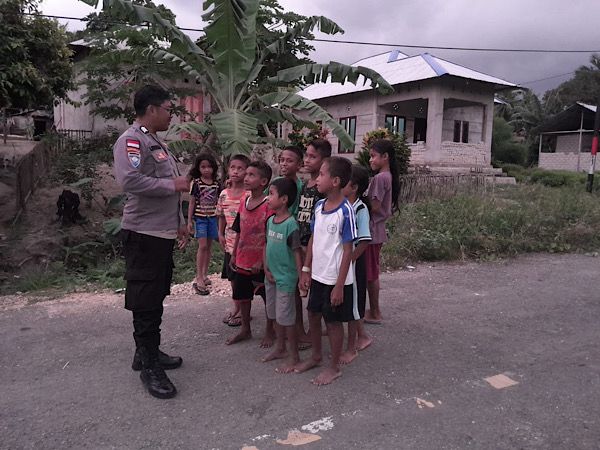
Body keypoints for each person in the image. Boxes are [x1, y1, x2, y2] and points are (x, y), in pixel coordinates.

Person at [113, 84, 190, 399]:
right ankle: (149, 367)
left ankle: (146, 352)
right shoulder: (131, 140)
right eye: (169, 109)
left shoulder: (157, 142)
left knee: (155, 296)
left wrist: (180, 222)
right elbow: (130, 180)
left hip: (161, 232)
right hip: (143, 234)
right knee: (145, 300)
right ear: (152, 109)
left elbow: (172, 190)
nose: (172, 115)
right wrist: (173, 185)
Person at [297, 156, 357, 385]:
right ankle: (316, 356)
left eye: (322, 175)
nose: (317, 179)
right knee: (313, 314)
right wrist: (306, 269)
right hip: (317, 275)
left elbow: (348, 250)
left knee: (333, 322)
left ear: (335, 181)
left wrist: (339, 286)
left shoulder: (346, 211)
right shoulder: (319, 206)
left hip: (335, 279)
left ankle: (333, 367)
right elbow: (314, 238)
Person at [226, 160, 273, 346]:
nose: (246, 178)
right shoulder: (244, 201)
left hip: (261, 262)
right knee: (243, 297)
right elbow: (239, 230)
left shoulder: (268, 205)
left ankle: (270, 331)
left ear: (263, 182)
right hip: (242, 260)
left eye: (251, 175)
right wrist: (234, 254)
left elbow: (270, 236)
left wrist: (263, 261)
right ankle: (245, 329)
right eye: (246, 174)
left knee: (267, 297)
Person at [262, 178, 303, 373]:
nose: (267, 198)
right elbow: (266, 245)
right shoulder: (270, 221)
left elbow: (297, 253)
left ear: (284, 199)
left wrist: (301, 277)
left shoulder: (291, 225)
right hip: (270, 276)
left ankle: (294, 356)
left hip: (286, 278)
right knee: (274, 314)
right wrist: (266, 268)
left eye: (271, 194)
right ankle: (280, 348)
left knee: (287, 318)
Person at [296, 139, 332, 345]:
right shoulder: (305, 184)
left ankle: (316, 330)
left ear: (324, 160)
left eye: (313, 156)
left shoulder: (322, 188)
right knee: (305, 285)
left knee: (316, 288)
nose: (307, 160)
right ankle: (315, 328)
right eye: (306, 155)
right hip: (302, 242)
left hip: (316, 245)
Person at [364, 139, 400, 324]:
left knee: (371, 274)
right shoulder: (387, 176)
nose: (370, 160)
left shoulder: (380, 178)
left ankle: (375, 312)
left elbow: (375, 206)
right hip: (377, 230)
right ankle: (373, 310)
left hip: (372, 230)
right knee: (372, 272)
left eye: (373, 156)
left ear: (385, 157)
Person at [340, 165, 373, 364]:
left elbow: (364, 241)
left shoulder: (360, 209)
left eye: (344, 181)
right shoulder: (342, 206)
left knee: (353, 306)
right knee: (347, 303)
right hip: (342, 262)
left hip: (353, 263)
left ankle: (351, 347)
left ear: (354, 187)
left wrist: (350, 259)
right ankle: (360, 336)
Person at [216, 154, 250, 326]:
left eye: (240, 168)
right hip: (229, 243)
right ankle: (237, 307)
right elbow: (221, 215)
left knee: (244, 280)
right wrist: (220, 234)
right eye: (233, 168)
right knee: (232, 277)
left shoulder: (249, 195)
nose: (235, 171)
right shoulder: (224, 194)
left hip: (246, 245)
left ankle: (243, 312)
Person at [187, 152, 220, 296]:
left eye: (209, 167)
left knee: (209, 246)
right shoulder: (196, 183)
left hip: (213, 218)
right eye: (203, 167)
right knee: (203, 246)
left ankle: (205, 274)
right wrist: (189, 220)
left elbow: (219, 200)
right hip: (200, 218)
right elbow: (192, 202)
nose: (206, 170)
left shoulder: (217, 184)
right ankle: (199, 276)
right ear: (198, 168)